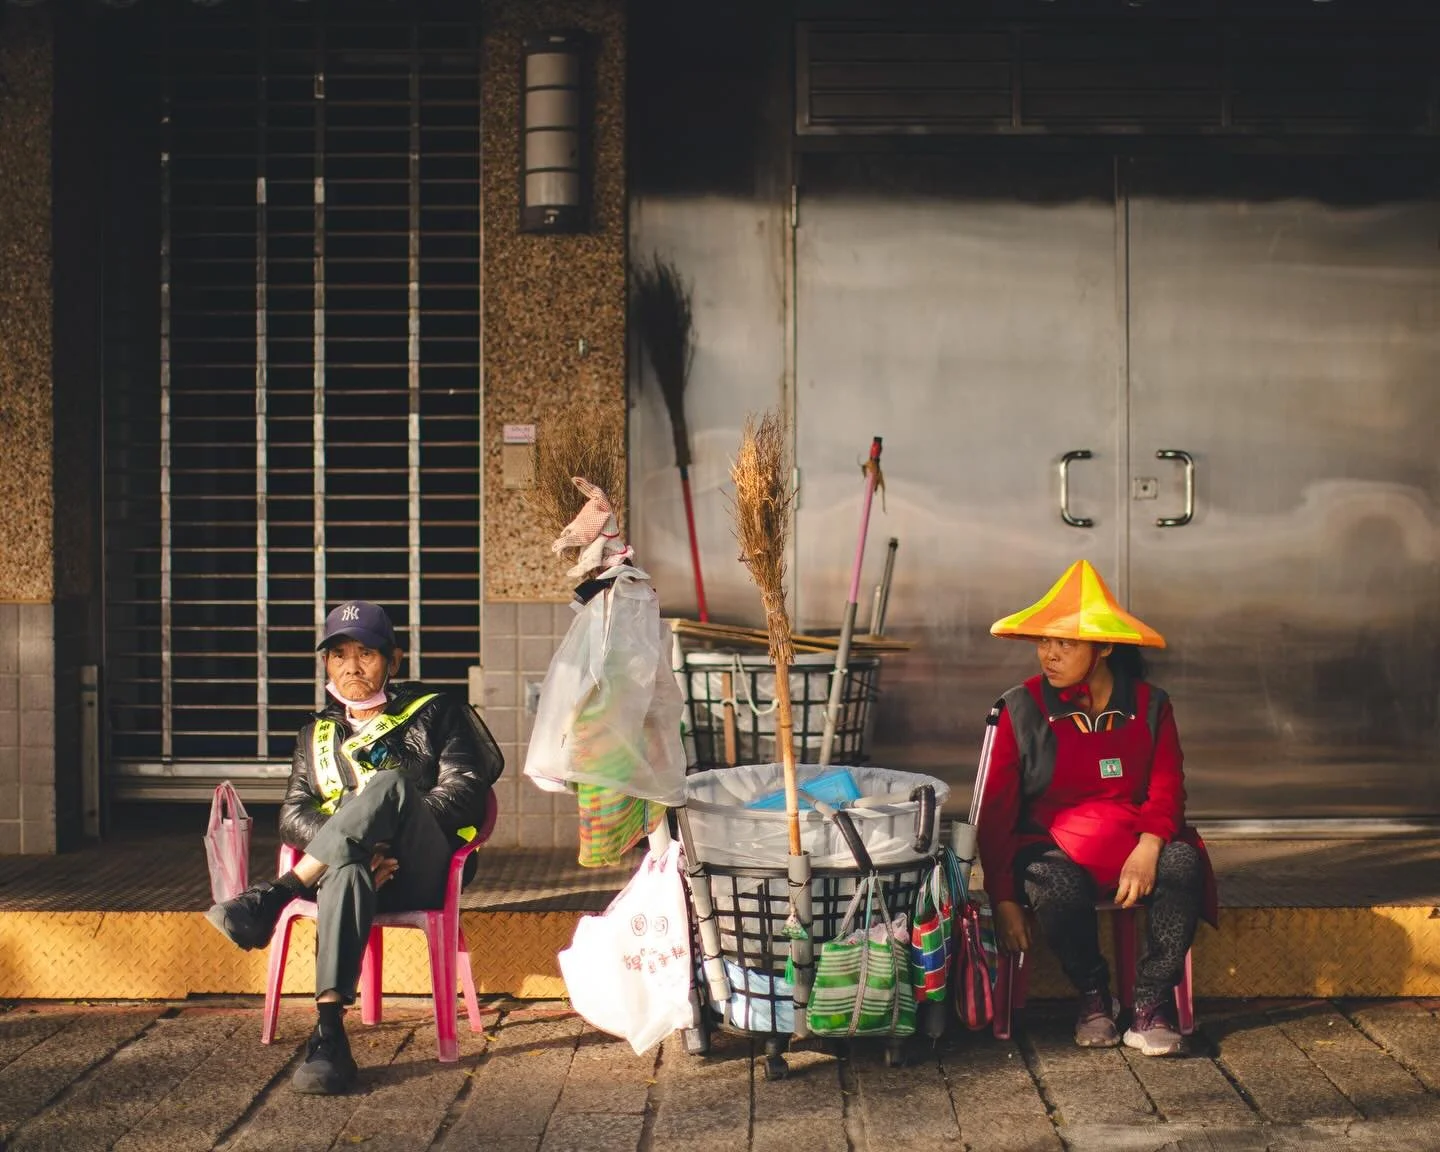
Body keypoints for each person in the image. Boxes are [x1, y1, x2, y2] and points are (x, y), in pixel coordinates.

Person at [206, 601, 503, 1094]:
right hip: (357, 872)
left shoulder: (438, 713)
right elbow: (293, 814)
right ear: (326, 664)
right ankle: (329, 1035)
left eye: (366, 652)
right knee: (345, 870)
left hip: (423, 865)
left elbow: (464, 794)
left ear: (394, 660)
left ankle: (276, 895)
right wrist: (359, 849)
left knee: (387, 785)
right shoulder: (314, 734)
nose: (351, 666)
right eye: (338, 654)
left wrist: (382, 830)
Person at [976, 560, 1216, 1057]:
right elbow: (995, 813)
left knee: (1183, 862)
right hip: (1054, 851)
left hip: (1137, 848)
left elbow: (1168, 788)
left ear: (1104, 647)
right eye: (1045, 641)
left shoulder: (1152, 705)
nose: (1050, 654)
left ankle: (1150, 1002)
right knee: (1051, 879)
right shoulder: (1020, 708)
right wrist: (1002, 897)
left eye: (1066, 643)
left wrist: (1150, 848)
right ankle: (1093, 995)